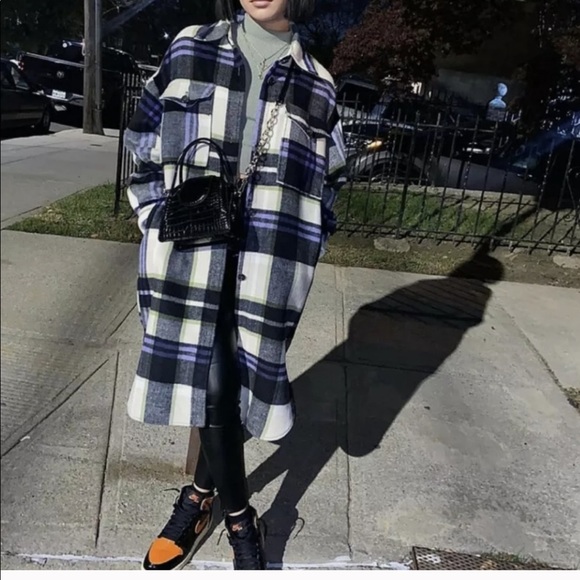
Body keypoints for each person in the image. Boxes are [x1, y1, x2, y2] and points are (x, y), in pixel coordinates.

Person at [123, 0, 346, 571]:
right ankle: (241, 519)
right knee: (216, 378)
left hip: (268, 264)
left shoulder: (318, 84)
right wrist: (152, 215)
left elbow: (330, 181)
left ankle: (200, 496)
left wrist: (308, 244)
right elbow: (142, 137)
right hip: (189, 253)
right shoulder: (190, 47)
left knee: (237, 381)